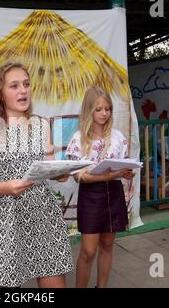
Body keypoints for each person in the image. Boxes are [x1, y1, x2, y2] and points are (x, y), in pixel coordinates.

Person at [0, 62, 74, 288]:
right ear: (1, 94)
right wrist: (6, 187)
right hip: (7, 220)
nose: (23, 90)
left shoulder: (41, 125)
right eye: (14, 86)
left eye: (26, 84)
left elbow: (48, 165)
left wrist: (59, 173)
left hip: (43, 215)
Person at [65, 86, 135, 288]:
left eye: (108, 109)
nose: (104, 113)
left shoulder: (118, 137)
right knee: (88, 251)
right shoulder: (78, 139)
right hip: (91, 197)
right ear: (89, 111)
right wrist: (106, 175)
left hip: (114, 194)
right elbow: (79, 177)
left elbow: (123, 166)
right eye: (98, 109)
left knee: (107, 245)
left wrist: (127, 172)